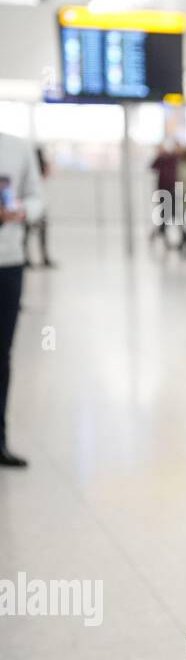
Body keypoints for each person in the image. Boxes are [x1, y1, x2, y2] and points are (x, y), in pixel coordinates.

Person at [0, 131, 44, 467]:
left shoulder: (16, 147)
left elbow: (36, 197)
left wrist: (21, 212)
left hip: (7, 262)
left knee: (2, 354)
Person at [23, 146, 54, 269]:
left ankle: (36, 258)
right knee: (27, 233)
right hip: (33, 205)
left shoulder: (35, 168)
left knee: (30, 233)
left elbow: (47, 174)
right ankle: (36, 258)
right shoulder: (31, 167)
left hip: (38, 205)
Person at [149, 142, 178, 248]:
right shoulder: (160, 160)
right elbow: (151, 167)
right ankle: (162, 233)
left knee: (170, 213)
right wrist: (159, 155)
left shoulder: (172, 159)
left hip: (172, 189)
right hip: (162, 190)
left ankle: (159, 231)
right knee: (165, 213)